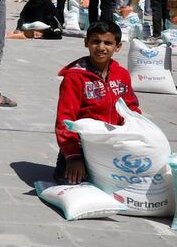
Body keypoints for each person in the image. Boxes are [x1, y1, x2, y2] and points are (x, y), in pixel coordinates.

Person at [54, 21, 141, 184]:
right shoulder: (74, 78)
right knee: (77, 188)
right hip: (81, 150)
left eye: (108, 43)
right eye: (95, 41)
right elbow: (65, 120)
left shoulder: (122, 75)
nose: (101, 47)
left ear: (118, 46)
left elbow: (132, 109)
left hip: (113, 147)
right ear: (86, 42)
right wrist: (73, 157)